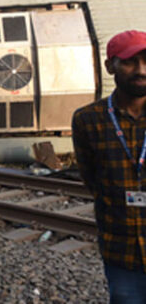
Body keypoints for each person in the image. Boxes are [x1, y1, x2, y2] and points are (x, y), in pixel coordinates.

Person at [73, 30, 146, 304]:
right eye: (129, 61)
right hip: (122, 250)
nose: (141, 70)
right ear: (109, 66)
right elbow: (92, 179)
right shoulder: (88, 120)